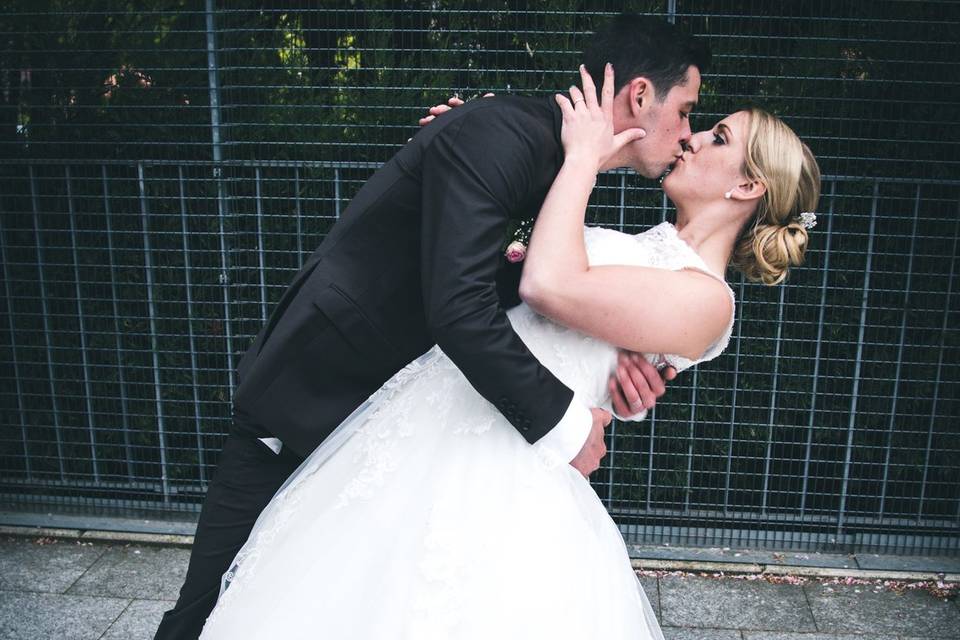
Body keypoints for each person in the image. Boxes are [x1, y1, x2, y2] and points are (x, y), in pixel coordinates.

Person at [196, 65, 820, 638]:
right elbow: (511, 265)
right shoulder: (647, 249)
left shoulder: (709, 301)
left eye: (715, 136)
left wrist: (580, 156)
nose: (690, 139)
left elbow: (548, 283)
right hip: (431, 420)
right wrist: (471, 144)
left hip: (502, 462)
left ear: (746, 186)